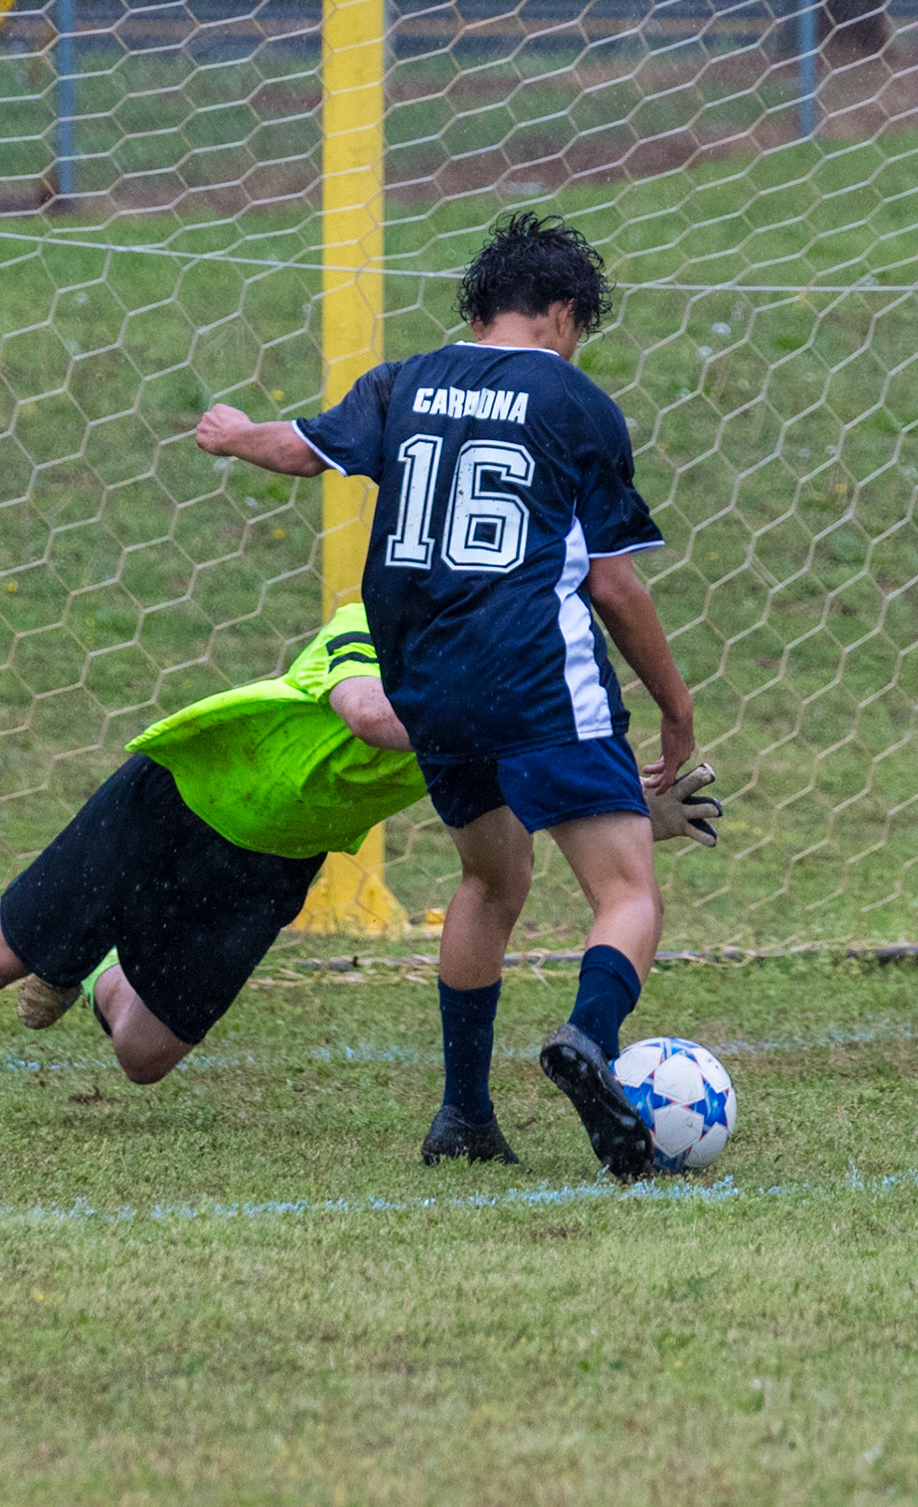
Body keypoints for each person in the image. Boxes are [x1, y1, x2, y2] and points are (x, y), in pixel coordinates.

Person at [0, 602, 721, 1161]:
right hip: (177, 799)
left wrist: (623, 801)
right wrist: (515, 727)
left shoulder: (502, 689)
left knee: (142, 1053)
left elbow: (520, 803)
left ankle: (96, 963)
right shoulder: (380, 616)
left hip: (271, 867)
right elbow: (369, 715)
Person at [193, 211, 695, 1182]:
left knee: (490, 881)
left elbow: (301, 448)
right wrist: (675, 708)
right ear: (563, 312)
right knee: (628, 892)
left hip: (428, 681)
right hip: (534, 672)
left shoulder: (404, 381)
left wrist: (232, 433)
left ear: (478, 308)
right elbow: (614, 585)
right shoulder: (576, 401)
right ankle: (590, 1039)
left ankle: (464, 1113)